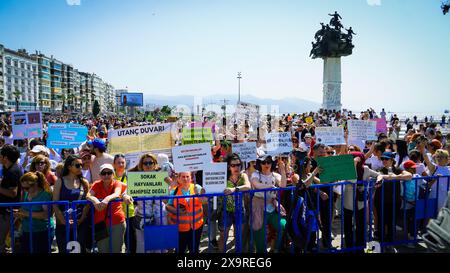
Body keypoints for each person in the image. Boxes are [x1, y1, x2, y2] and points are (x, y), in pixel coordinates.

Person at [128, 153, 169, 253]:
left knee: (158, 245)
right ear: (141, 165)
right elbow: (127, 192)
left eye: (151, 162)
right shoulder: (135, 179)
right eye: (145, 163)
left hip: (159, 216)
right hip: (142, 217)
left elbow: (166, 200)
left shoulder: (162, 178)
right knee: (142, 245)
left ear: (155, 164)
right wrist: (125, 195)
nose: (148, 165)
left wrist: (169, 185)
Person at [86, 164, 131, 253]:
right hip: (100, 223)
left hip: (117, 222)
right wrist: (95, 201)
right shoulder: (96, 184)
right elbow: (88, 195)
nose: (106, 175)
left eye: (109, 173)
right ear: (100, 175)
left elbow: (117, 193)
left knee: (116, 250)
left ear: (113, 174)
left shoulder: (117, 183)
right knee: (102, 250)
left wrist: (106, 200)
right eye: (104, 173)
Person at [374, 152, 412, 253]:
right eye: (383, 159)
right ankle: (382, 244)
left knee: (391, 223)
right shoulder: (379, 170)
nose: (384, 161)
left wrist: (394, 177)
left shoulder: (398, 169)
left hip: (394, 201)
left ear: (392, 160)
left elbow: (409, 175)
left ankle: (390, 244)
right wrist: (384, 177)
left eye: (386, 159)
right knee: (382, 222)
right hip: (380, 200)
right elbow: (379, 176)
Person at [52, 155, 90, 253]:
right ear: (69, 167)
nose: (80, 167)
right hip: (63, 225)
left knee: (80, 250)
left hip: (80, 224)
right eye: (77, 165)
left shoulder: (84, 182)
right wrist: (64, 221)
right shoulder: (59, 181)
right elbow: (55, 204)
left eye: (81, 165)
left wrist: (81, 219)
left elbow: (87, 203)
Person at [250, 154, 287, 253]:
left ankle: (275, 249)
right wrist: (270, 186)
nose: (266, 164)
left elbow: (283, 185)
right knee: (259, 234)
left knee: (283, 226)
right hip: (258, 208)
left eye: (269, 162)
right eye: (263, 162)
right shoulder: (256, 174)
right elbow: (256, 184)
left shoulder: (275, 175)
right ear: (259, 164)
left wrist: (283, 170)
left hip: (272, 207)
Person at [344, 152, 379, 252]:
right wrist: (354, 164)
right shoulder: (347, 170)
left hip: (360, 201)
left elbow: (378, 175)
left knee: (360, 225)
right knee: (347, 225)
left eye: (355, 158)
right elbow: (353, 179)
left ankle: (360, 246)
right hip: (349, 201)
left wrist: (377, 179)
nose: (354, 160)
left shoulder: (366, 169)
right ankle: (349, 246)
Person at [217, 153, 251, 252]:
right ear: (228, 166)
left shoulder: (243, 175)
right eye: (233, 165)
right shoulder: (224, 176)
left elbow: (248, 186)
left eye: (238, 164)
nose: (236, 167)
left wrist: (234, 189)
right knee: (224, 236)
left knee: (238, 236)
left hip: (240, 210)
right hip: (225, 211)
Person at [15, 172, 54, 253]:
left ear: (35, 184)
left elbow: (47, 214)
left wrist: (25, 213)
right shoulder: (26, 193)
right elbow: (23, 209)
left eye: (27, 188)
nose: (25, 190)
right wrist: (19, 214)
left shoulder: (45, 195)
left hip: (42, 232)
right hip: (26, 231)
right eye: (23, 188)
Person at [166, 172, 205, 253]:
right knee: (180, 250)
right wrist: (177, 211)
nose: (185, 179)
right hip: (181, 229)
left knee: (194, 250)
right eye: (183, 177)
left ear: (191, 178)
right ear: (179, 178)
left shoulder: (197, 187)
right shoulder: (174, 191)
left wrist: (198, 194)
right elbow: (168, 206)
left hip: (196, 227)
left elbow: (204, 201)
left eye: (187, 176)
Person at [0, 144, 22, 253]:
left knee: (2, 241)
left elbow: (13, 193)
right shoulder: (8, 169)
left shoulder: (13, 171)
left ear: (5, 157)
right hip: (6, 212)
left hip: (8, 213)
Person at [113, 153, 136, 253]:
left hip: (130, 213)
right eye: (118, 163)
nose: (121, 164)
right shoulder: (109, 176)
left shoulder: (130, 176)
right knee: (117, 242)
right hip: (116, 214)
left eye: (123, 162)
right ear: (114, 164)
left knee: (130, 240)